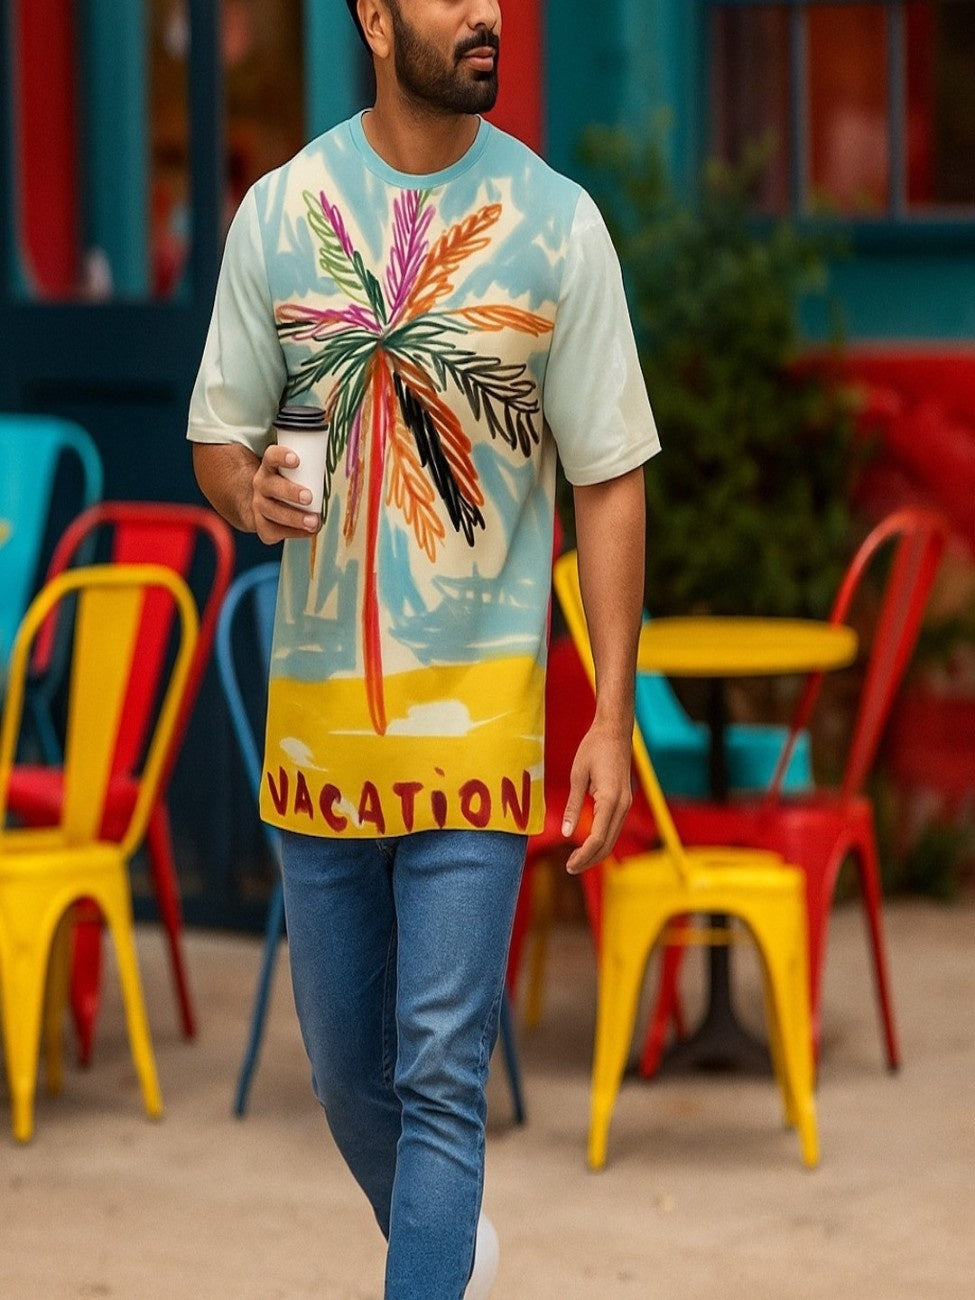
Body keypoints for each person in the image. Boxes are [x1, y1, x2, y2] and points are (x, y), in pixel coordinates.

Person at [188, 2, 659, 1295]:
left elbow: (610, 475)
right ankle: (447, 1250)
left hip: (483, 730)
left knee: (440, 1073)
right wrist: (243, 495)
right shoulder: (281, 213)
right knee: (349, 1078)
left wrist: (607, 712)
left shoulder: (558, 225)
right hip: (319, 741)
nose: (485, 13)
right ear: (375, 18)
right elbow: (219, 431)